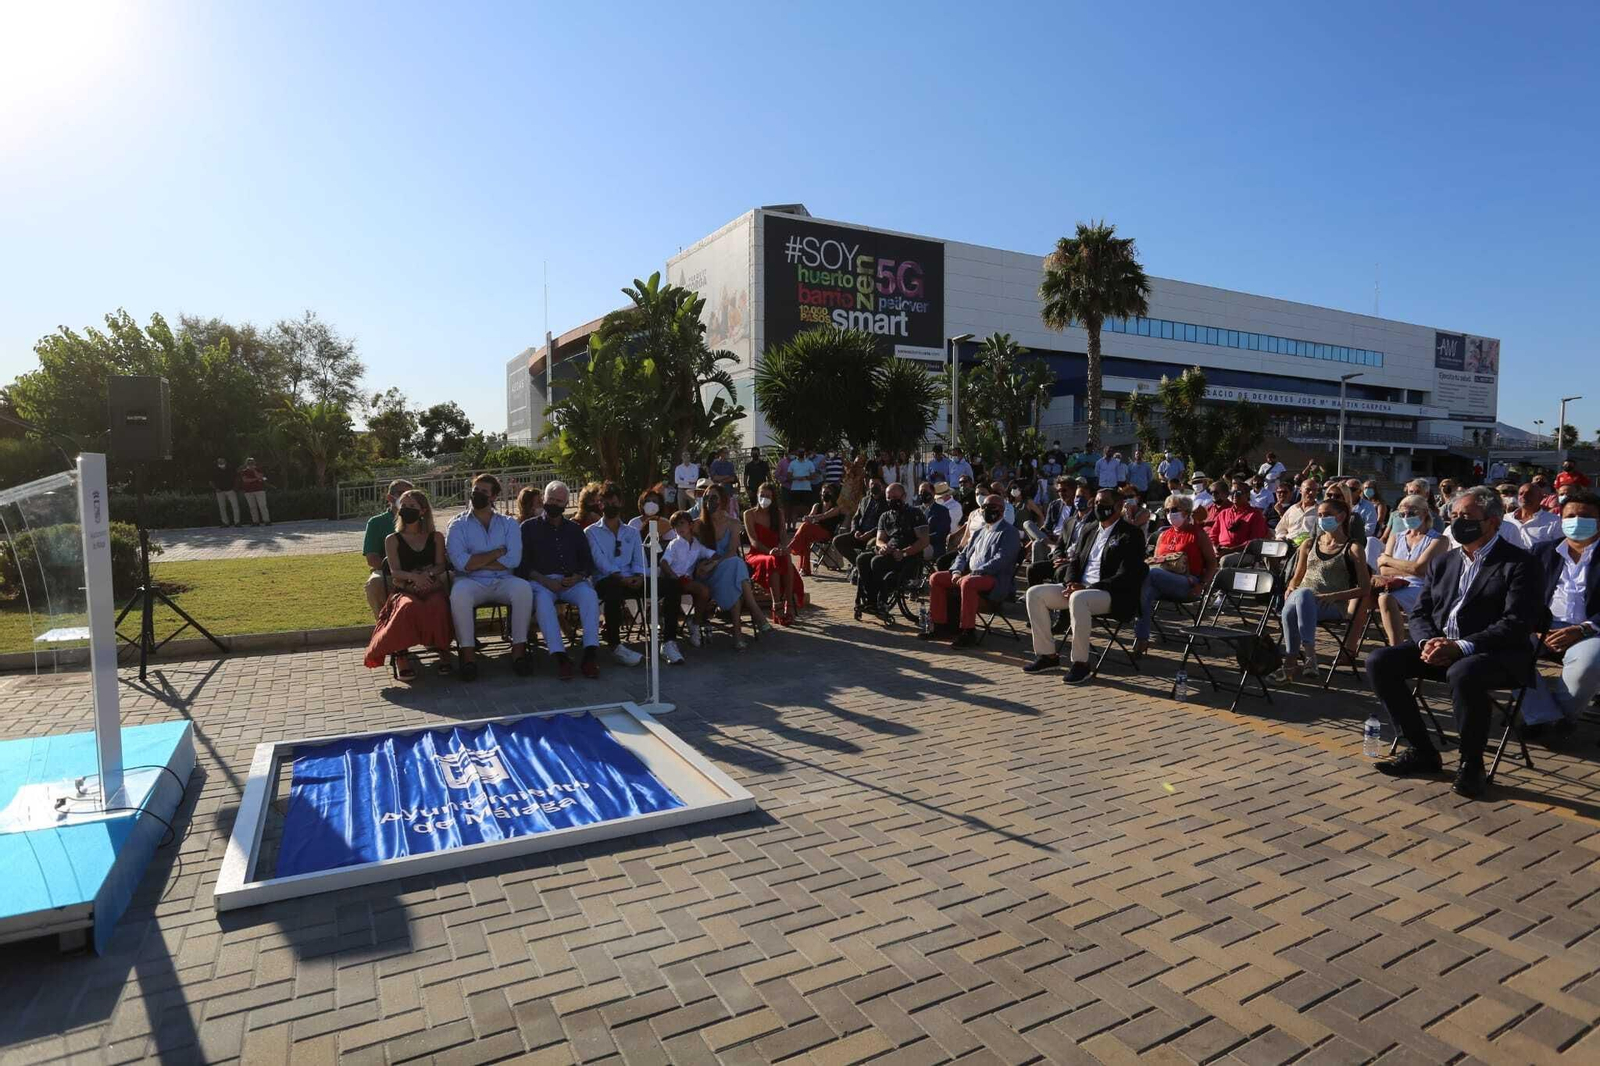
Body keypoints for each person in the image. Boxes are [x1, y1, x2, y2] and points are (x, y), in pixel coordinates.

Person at [1369, 486, 1543, 798]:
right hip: (1440, 649)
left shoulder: (1519, 563)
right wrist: (1426, 644)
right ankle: (1421, 750)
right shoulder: (1444, 562)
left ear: (1492, 521)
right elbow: (1421, 612)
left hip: (1494, 654)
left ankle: (1471, 764)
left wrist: (1461, 646)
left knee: (1464, 672)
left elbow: (1516, 623)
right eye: (1454, 516)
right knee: (1380, 661)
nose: (1457, 522)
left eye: (1466, 516)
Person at [1022, 488, 1149, 684]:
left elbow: (1127, 575)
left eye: (1103, 503)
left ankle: (1081, 663)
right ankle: (1047, 655)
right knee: (1034, 593)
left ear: (1118, 506)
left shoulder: (1130, 534)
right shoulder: (1089, 529)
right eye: (1096, 502)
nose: (1098, 507)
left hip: (1111, 593)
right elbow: (1075, 561)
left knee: (1078, 598)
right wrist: (1071, 582)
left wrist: (1088, 587)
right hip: (1081, 589)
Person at [1523, 489, 1600, 732]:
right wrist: (1532, 627)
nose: (1576, 521)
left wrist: (1583, 629)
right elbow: (1524, 595)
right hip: (1543, 627)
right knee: (1504, 647)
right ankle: (1542, 715)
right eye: (1569, 516)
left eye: (1585, 516)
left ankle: (1558, 718)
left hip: (1591, 630)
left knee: (1588, 665)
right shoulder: (1542, 552)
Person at [446, 473, 532, 681]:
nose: (477, 494)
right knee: (459, 593)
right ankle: (468, 658)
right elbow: (461, 563)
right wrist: (496, 553)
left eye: (484, 492)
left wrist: (476, 562)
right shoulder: (457, 524)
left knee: (523, 589)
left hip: (503, 579)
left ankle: (519, 653)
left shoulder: (508, 524)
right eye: (475, 490)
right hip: (470, 581)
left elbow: (513, 560)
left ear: (493, 497)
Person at [1277, 496, 1371, 681]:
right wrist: (1290, 587)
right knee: (1300, 595)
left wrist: (1335, 595)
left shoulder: (1352, 548)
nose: (1322, 519)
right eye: (1320, 515)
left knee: (1296, 603)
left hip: (1332, 603)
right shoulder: (1310, 544)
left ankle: (1291, 661)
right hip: (1303, 598)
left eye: (1327, 514)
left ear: (1342, 517)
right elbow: (1297, 577)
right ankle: (1309, 657)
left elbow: (1365, 588)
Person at [518, 480, 604, 680]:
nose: (554, 505)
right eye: (551, 500)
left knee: (589, 596)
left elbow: (587, 562)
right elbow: (522, 564)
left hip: (570, 581)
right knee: (542, 601)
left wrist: (577, 577)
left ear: (566, 503)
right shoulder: (528, 528)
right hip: (541, 580)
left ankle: (590, 653)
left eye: (559, 501)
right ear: (544, 500)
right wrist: (544, 581)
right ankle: (560, 656)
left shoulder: (574, 529)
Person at [364, 489, 455, 679]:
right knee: (406, 607)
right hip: (405, 588)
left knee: (437, 605)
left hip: (431, 585)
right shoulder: (392, 539)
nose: (406, 510)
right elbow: (394, 570)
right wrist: (414, 578)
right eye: (403, 506)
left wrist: (426, 575)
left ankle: (443, 652)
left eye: (411, 506)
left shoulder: (436, 537)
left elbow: (440, 565)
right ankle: (402, 656)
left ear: (422, 511)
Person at [920, 494, 1020, 647]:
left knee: (968, 582)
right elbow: (963, 554)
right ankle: (939, 625)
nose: (986, 511)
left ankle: (968, 631)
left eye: (990, 508)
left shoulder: (1009, 532)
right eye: (983, 508)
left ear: (1001, 510)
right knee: (936, 578)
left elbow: (1001, 560)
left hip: (994, 578)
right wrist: (956, 571)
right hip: (970, 574)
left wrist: (976, 572)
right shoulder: (980, 531)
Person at [1135, 494, 1217, 657]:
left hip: (1188, 582)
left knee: (1149, 574)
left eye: (1174, 510)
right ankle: (1141, 638)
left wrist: (1202, 584)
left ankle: (1141, 639)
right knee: (1143, 593)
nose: (1170, 514)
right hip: (1160, 580)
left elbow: (1212, 563)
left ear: (1186, 512)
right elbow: (1157, 561)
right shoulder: (1164, 535)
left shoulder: (1198, 534)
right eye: (1167, 510)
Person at [697, 485, 773, 649]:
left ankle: (738, 634)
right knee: (737, 568)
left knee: (735, 569)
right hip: (707, 574)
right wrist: (709, 565)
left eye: (714, 497)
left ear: (723, 500)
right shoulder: (699, 524)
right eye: (706, 498)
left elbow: (732, 551)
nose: (710, 501)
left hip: (725, 568)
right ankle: (755, 611)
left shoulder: (733, 523)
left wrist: (716, 563)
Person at [1372, 494, 1446, 647]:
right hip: (1394, 584)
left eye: (1411, 513)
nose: (1406, 517)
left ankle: (1395, 647)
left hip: (1422, 588)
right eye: (1402, 514)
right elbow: (1384, 571)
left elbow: (1421, 569)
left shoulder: (1438, 540)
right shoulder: (1396, 536)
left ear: (1425, 512)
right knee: (1361, 596)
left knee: (1385, 598)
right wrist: (1411, 568)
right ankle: (1349, 648)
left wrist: (1388, 560)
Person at [585, 485, 647, 666]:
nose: (610, 505)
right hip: (606, 579)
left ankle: (669, 641)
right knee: (613, 589)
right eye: (606, 502)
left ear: (620, 502)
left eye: (614, 501)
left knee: (669, 585)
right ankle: (615, 645)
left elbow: (639, 558)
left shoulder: (632, 532)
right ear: (600, 504)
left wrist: (640, 576)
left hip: (631, 578)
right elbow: (599, 561)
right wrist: (620, 577)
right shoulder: (591, 532)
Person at [855, 482, 929, 621]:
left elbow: (924, 541)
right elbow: (879, 539)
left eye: (895, 497)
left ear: (904, 496)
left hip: (908, 557)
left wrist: (904, 552)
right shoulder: (885, 516)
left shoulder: (915, 514)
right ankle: (871, 600)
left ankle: (880, 599)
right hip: (890, 551)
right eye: (889, 498)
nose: (892, 501)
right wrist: (883, 546)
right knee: (862, 559)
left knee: (876, 562)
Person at [745, 481, 802, 624]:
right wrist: (769, 551)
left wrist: (783, 547)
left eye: (768, 496)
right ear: (757, 496)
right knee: (772, 560)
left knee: (786, 558)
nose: (764, 498)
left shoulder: (778, 513)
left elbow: (783, 534)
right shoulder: (749, 514)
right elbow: (753, 541)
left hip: (775, 551)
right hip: (757, 554)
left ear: (773, 498)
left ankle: (788, 603)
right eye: (762, 495)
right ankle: (776, 605)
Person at [660, 510, 714, 656]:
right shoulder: (674, 544)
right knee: (703, 590)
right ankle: (695, 624)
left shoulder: (697, 544)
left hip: (688, 580)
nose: (679, 528)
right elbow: (664, 562)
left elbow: (711, 554)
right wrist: (673, 577)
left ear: (690, 525)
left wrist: (712, 563)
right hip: (676, 580)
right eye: (676, 526)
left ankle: (695, 623)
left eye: (682, 523)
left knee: (705, 591)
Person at [363, 478, 415, 619]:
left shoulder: (421, 519)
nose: (407, 497)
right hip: (388, 572)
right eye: (402, 493)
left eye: (411, 493)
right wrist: (399, 571)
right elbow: (372, 559)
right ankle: (384, 625)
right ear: (390, 498)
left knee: (449, 578)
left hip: (419, 570)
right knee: (374, 583)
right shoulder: (376, 523)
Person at [788, 483, 845, 576]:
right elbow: (811, 516)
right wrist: (807, 518)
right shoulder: (817, 505)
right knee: (805, 537)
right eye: (824, 492)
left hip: (826, 533)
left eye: (828, 492)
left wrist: (812, 518)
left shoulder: (836, 508)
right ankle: (804, 569)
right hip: (812, 532)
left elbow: (824, 516)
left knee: (805, 527)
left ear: (833, 494)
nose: (825, 494)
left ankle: (791, 547)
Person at [1208, 483, 1270, 567]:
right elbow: (1213, 535)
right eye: (1232, 492)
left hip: (1243, 552)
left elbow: (1254, 542)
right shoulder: (1224, 513)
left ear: (1248, 494)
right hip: (1221, 550)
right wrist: (1215, 548)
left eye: (1238, 492)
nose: (1235, 495)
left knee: (1225, 560)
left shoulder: (1255, 514)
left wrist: (1230, 550)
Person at [832, 479, 885, 565]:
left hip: (874, 535)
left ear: (881, 486)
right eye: (872, 484)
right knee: (838, 541)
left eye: (877, 484)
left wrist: (870, 533)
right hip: (859, 533)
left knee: (870, 545)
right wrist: (855, 530)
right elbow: (856, 518)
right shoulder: (864, 500)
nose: (874, 486)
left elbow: (883, 523)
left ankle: (862, 565)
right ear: (868, 485)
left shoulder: (886, 502)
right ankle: (858, 564)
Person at [1501, 481, 1561, 550]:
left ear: (1541, 498)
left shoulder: (1555, 522)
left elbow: (1558, 549)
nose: (1524, 496)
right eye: (1521, 494)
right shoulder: (1505, 519)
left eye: (1529, 494)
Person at [1275, 478, 1322, 542]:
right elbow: (1280, 529)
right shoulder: (1292, 509)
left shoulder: (1320, 510)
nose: (1311, 493)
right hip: (1289, 544)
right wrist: (1281, 538)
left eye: (1315, 490)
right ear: (1300, 490)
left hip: (1310, 545)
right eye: (1308, 490)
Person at [915, 480, 952, 560]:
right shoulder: (915, 511)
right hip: (915, 544)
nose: (922, 494)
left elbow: (941, 533)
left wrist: (922, 540)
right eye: (920, 492)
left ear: (933, 492)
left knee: (914, 551)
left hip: (934, 546)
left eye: (925, 491)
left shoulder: (942, 511)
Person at [785, 448, 817, 525]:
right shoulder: (793, 463)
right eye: (799, 452)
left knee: (806, 508)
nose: (801, 453)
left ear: (805, 453)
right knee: (794, 509)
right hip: (795, 489)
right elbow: (788, 476)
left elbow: (813, 476)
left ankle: (806, 525)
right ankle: (793, 526)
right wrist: (797, 478)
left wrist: (805, 478)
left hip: (806, 489)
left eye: (802, 452)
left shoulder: (809, 463)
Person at [238, 457, 270, 526]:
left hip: (259, 490)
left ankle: (266, 520)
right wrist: (256, 479)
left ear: (254, 463)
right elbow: (246, 480)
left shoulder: (258, 469)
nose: (250, 464)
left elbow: (260, 477)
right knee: (252, 507)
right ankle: (255, 521)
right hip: (248, 491)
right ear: (246, 463)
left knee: (262, 506)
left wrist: (254, 471)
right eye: (249, 463)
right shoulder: (244, 471)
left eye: (252, 462)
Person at [210, 457, 241, 527]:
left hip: (231, 490)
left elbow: (237, 478)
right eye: (219, 462)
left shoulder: (231, 469)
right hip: (220, 491)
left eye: (222, 462)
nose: (221, 463)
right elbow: (211, 481)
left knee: (235, 506)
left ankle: (237, 522)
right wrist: (216, 489)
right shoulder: (215, 470)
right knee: (222, 507)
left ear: (225, 462)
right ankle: (225, 523)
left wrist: (235, 488)